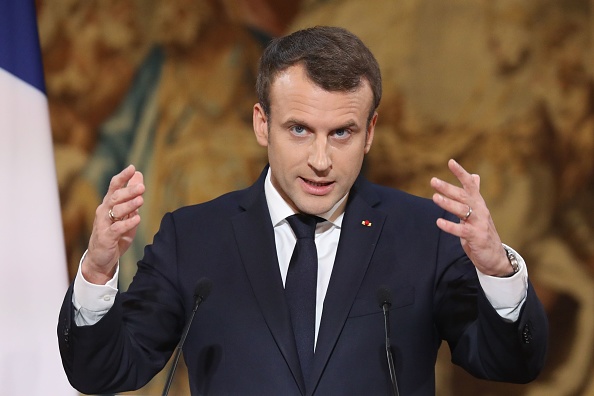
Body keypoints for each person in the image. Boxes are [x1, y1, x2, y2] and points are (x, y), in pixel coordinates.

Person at [58, 26, 548, 396]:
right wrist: (98, 272)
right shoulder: (194, 237)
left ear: (370, 132)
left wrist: (497, 271)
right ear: (261, 123)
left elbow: (512, 364)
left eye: (342, 133)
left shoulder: (424, 234)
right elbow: (103, 371)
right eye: (299, 130)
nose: (320, 160)